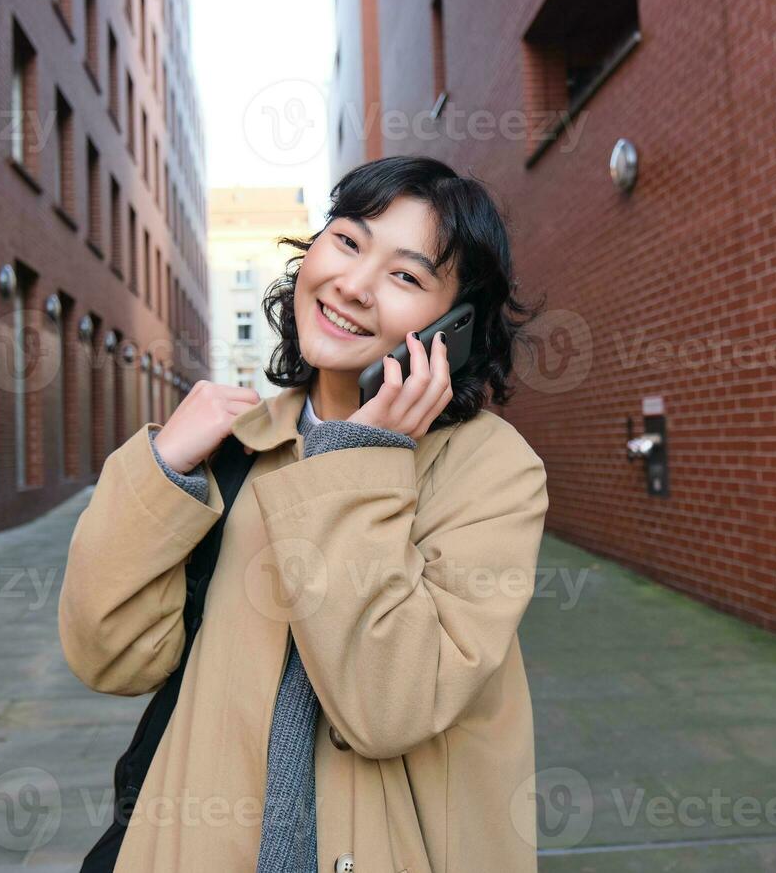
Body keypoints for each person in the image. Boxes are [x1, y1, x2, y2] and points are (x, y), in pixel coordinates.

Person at [59, 154, 551, 872]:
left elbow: (387, 707)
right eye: (347, 240)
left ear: (455, 326)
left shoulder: (491, 472)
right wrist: (162, 470)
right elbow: (110, 655)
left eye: (406, 276)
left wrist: (361, 455)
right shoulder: (235, 450)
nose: (353, 285)